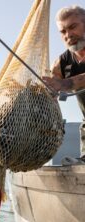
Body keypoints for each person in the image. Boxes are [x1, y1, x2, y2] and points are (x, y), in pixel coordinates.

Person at [42, 5, 85, 162]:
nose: (69, 35)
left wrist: (65, 84)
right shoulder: (62, 63)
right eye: (63, 31)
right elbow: (51, 89)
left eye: (73, 27)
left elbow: (62, 84)